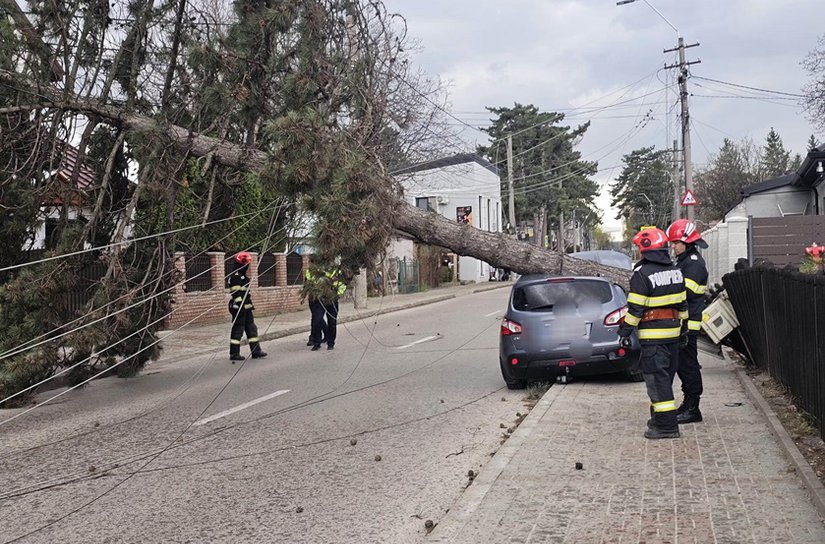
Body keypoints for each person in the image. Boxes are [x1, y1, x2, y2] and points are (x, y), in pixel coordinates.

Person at [618, 226, 688, 439]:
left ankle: (666, 427)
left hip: (653, 339)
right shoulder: (676, 272)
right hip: (673, 336)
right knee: (665, 380)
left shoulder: (642, 274)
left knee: (657, 381)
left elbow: (636, 309)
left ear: (645, 249)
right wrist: (683, 331)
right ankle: (658, 420)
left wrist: (624, 332)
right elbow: (683, 305)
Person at [666, 219, 709, 424]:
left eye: (676, 242)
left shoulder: (693, 264)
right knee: (683, 366)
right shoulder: (684, 261)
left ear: (687, 241)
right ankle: (688, 403)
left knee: (689, 365)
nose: (673, 246)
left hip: (688, 324)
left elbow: (684, 292)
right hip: (683, 323)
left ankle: (693, 408)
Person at [227, 251, 267, 362]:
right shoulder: (235, 277)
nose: (247, 267)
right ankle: (234, 354)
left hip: (246, 308)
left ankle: (256, 351)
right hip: (239, 309)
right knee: (238, 331)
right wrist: (241, 306)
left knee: (252, 329)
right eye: (246, 265)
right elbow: (236, 294)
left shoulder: (242, 276)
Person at [304, 265, 347, 351]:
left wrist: (336, 294)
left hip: (331, 299)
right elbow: (308, 282)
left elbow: (342, 284)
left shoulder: (335, 271)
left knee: (332, 321)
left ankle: (331, 343)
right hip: (319, 300)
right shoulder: (312, 270)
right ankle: (317, 342)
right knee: (317, 320)